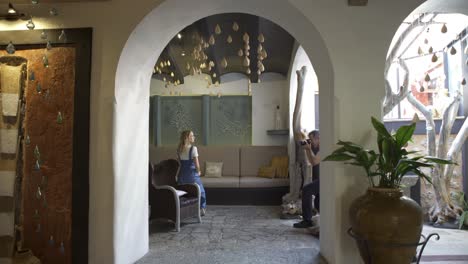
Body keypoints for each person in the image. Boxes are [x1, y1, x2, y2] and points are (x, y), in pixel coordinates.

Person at [293, 130, 320, 228]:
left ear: (318, 139)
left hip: (324, 180)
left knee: (306, 190)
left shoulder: (324, 148)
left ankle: (307, 220)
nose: (310, 142)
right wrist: (307, 149)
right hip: (317, 179)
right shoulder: (314, 148)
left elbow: (315, 161)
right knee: (318, 202)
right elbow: (311, 162)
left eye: (311, 139)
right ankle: (319, 221)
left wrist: (308, 149)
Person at [177, 130, 207, 216]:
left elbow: (179, 164)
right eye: (192, 136)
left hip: (182, 176)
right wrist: (199, 171)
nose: (194, 137)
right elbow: (197, 165)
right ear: (187, 137)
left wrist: (176, 175)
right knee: (201, 191)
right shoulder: (193, 149)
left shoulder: (179, 149)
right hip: (192, 176)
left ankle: (184, 210)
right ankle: (202, 208)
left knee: (185, 191)